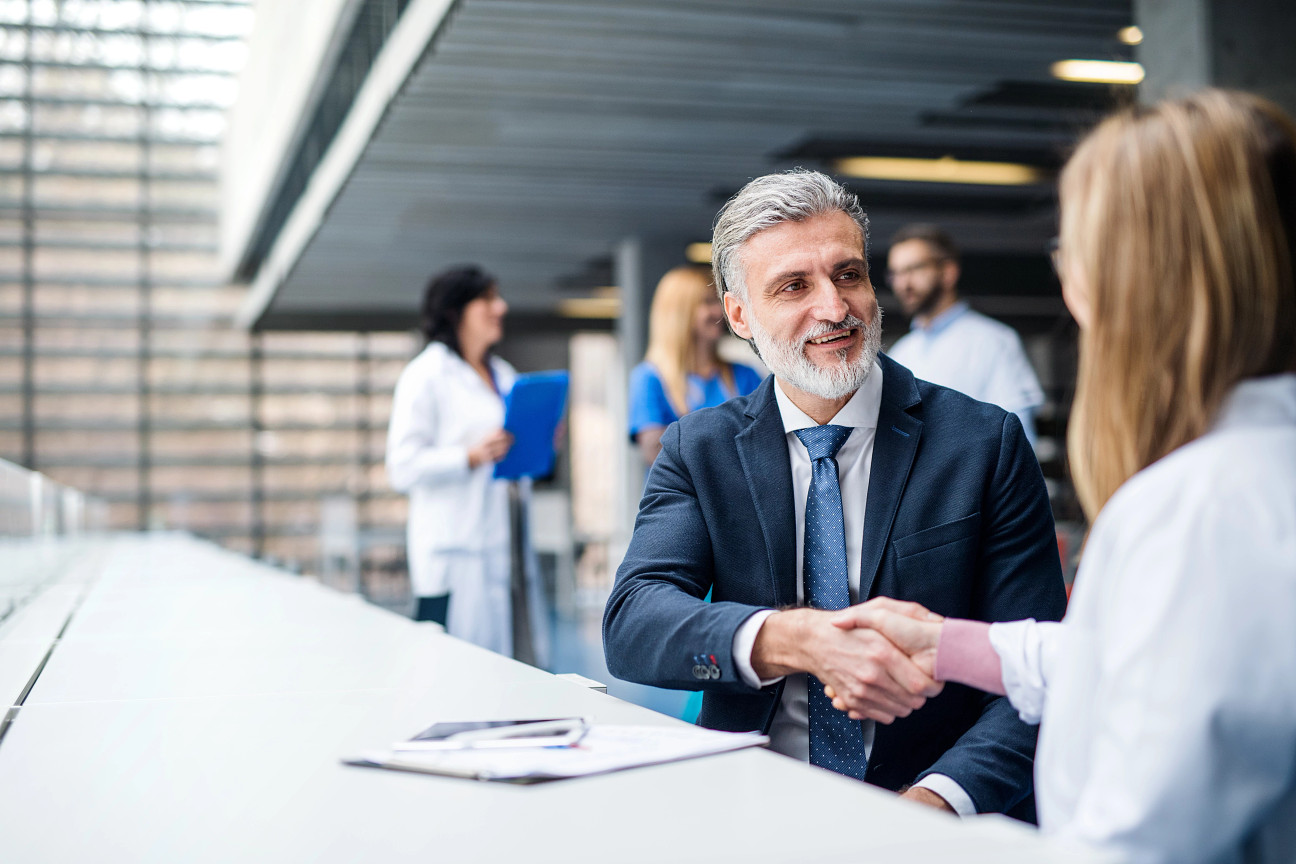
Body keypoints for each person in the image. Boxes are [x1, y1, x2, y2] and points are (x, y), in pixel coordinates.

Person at [831, 90, 1296, 863]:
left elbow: (1130, 843)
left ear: (1134, 278)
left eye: (1071, 250)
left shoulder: (1199, 510)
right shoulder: (1245, 477)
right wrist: (950, 645)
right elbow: (1168, 666)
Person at [602, 169, 1067, 816]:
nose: (835, 307)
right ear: (739, 315)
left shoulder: (983, 444)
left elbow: (1038, 672)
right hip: (752, 807)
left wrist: (936, 803)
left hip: (936, 811)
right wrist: (794, 640)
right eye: (794, 285)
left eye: (848, 274)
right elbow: (634, 624)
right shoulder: (699, 450)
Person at [386, 265, 543, 659]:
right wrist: (468, 456)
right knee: (457, 668)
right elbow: (401, 466)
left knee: (513, 666)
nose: (501, 307)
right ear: (456, 311)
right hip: (456, 552)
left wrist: (538, 441)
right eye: (488, 299)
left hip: (506, 547)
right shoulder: (426, 375)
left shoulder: (504, 374)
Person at [885, 224, 1045, 446]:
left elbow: (1018, 440)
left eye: (914, 269)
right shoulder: (901, 352)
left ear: (948, 272)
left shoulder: (995, 341)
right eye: (896, 273)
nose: (904, 283)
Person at [628, 265, 763, 466]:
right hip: (682, 497)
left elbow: (765, 440)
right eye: (708, 302)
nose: (719, 310)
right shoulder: (649, 378)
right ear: (680, 313)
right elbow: (657, 454)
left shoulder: (744, 375)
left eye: (718, 300)